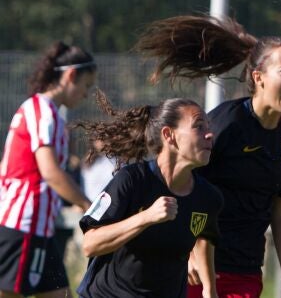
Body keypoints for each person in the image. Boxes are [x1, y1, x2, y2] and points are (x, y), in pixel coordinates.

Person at [134, 15, 281, 298]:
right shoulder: (225, 125)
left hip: (246, 271)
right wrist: (189, 249)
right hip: (196, 268)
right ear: (259, 78)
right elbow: (181, 185)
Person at [75, 91, 223, 298]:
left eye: (208, 127)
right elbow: (90, 244)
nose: (209, 134)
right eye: (199, 126)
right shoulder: (131, 180)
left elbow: (203, 238)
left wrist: (209, 290)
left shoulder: (208, 198)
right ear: (168, 135)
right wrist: (145, 218)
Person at [0, 41, 94, 298]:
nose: (86, 94)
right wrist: (89, 206)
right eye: (86, 85)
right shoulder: (43, 112)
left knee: (60, 293)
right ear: (71, 75)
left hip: (40, 229)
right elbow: (50, 172)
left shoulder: (48, 112)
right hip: (22, 227)